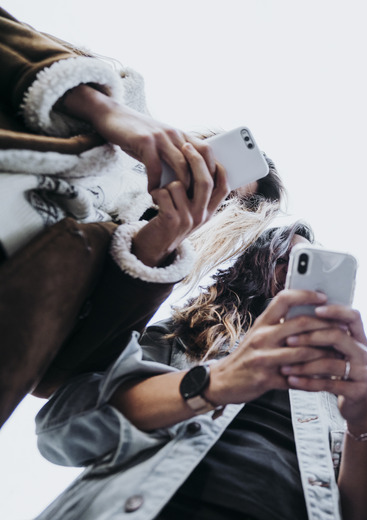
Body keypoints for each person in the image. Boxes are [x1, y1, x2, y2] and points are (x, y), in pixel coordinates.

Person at [0, 7, 282, 426]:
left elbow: (56, 378)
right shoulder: (119, 94)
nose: (208, 191)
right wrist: (101, 109)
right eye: (214, 172)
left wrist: (160, 242)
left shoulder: (144, 268)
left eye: (224, 202)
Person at [34, 222, 367, 520]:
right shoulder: (185, 333)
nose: (294, 276)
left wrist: (361, 425)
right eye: (284, 260)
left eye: (305, 265)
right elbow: (63, 428)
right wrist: (217, 381)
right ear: (255, 267)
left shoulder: (339, 387)